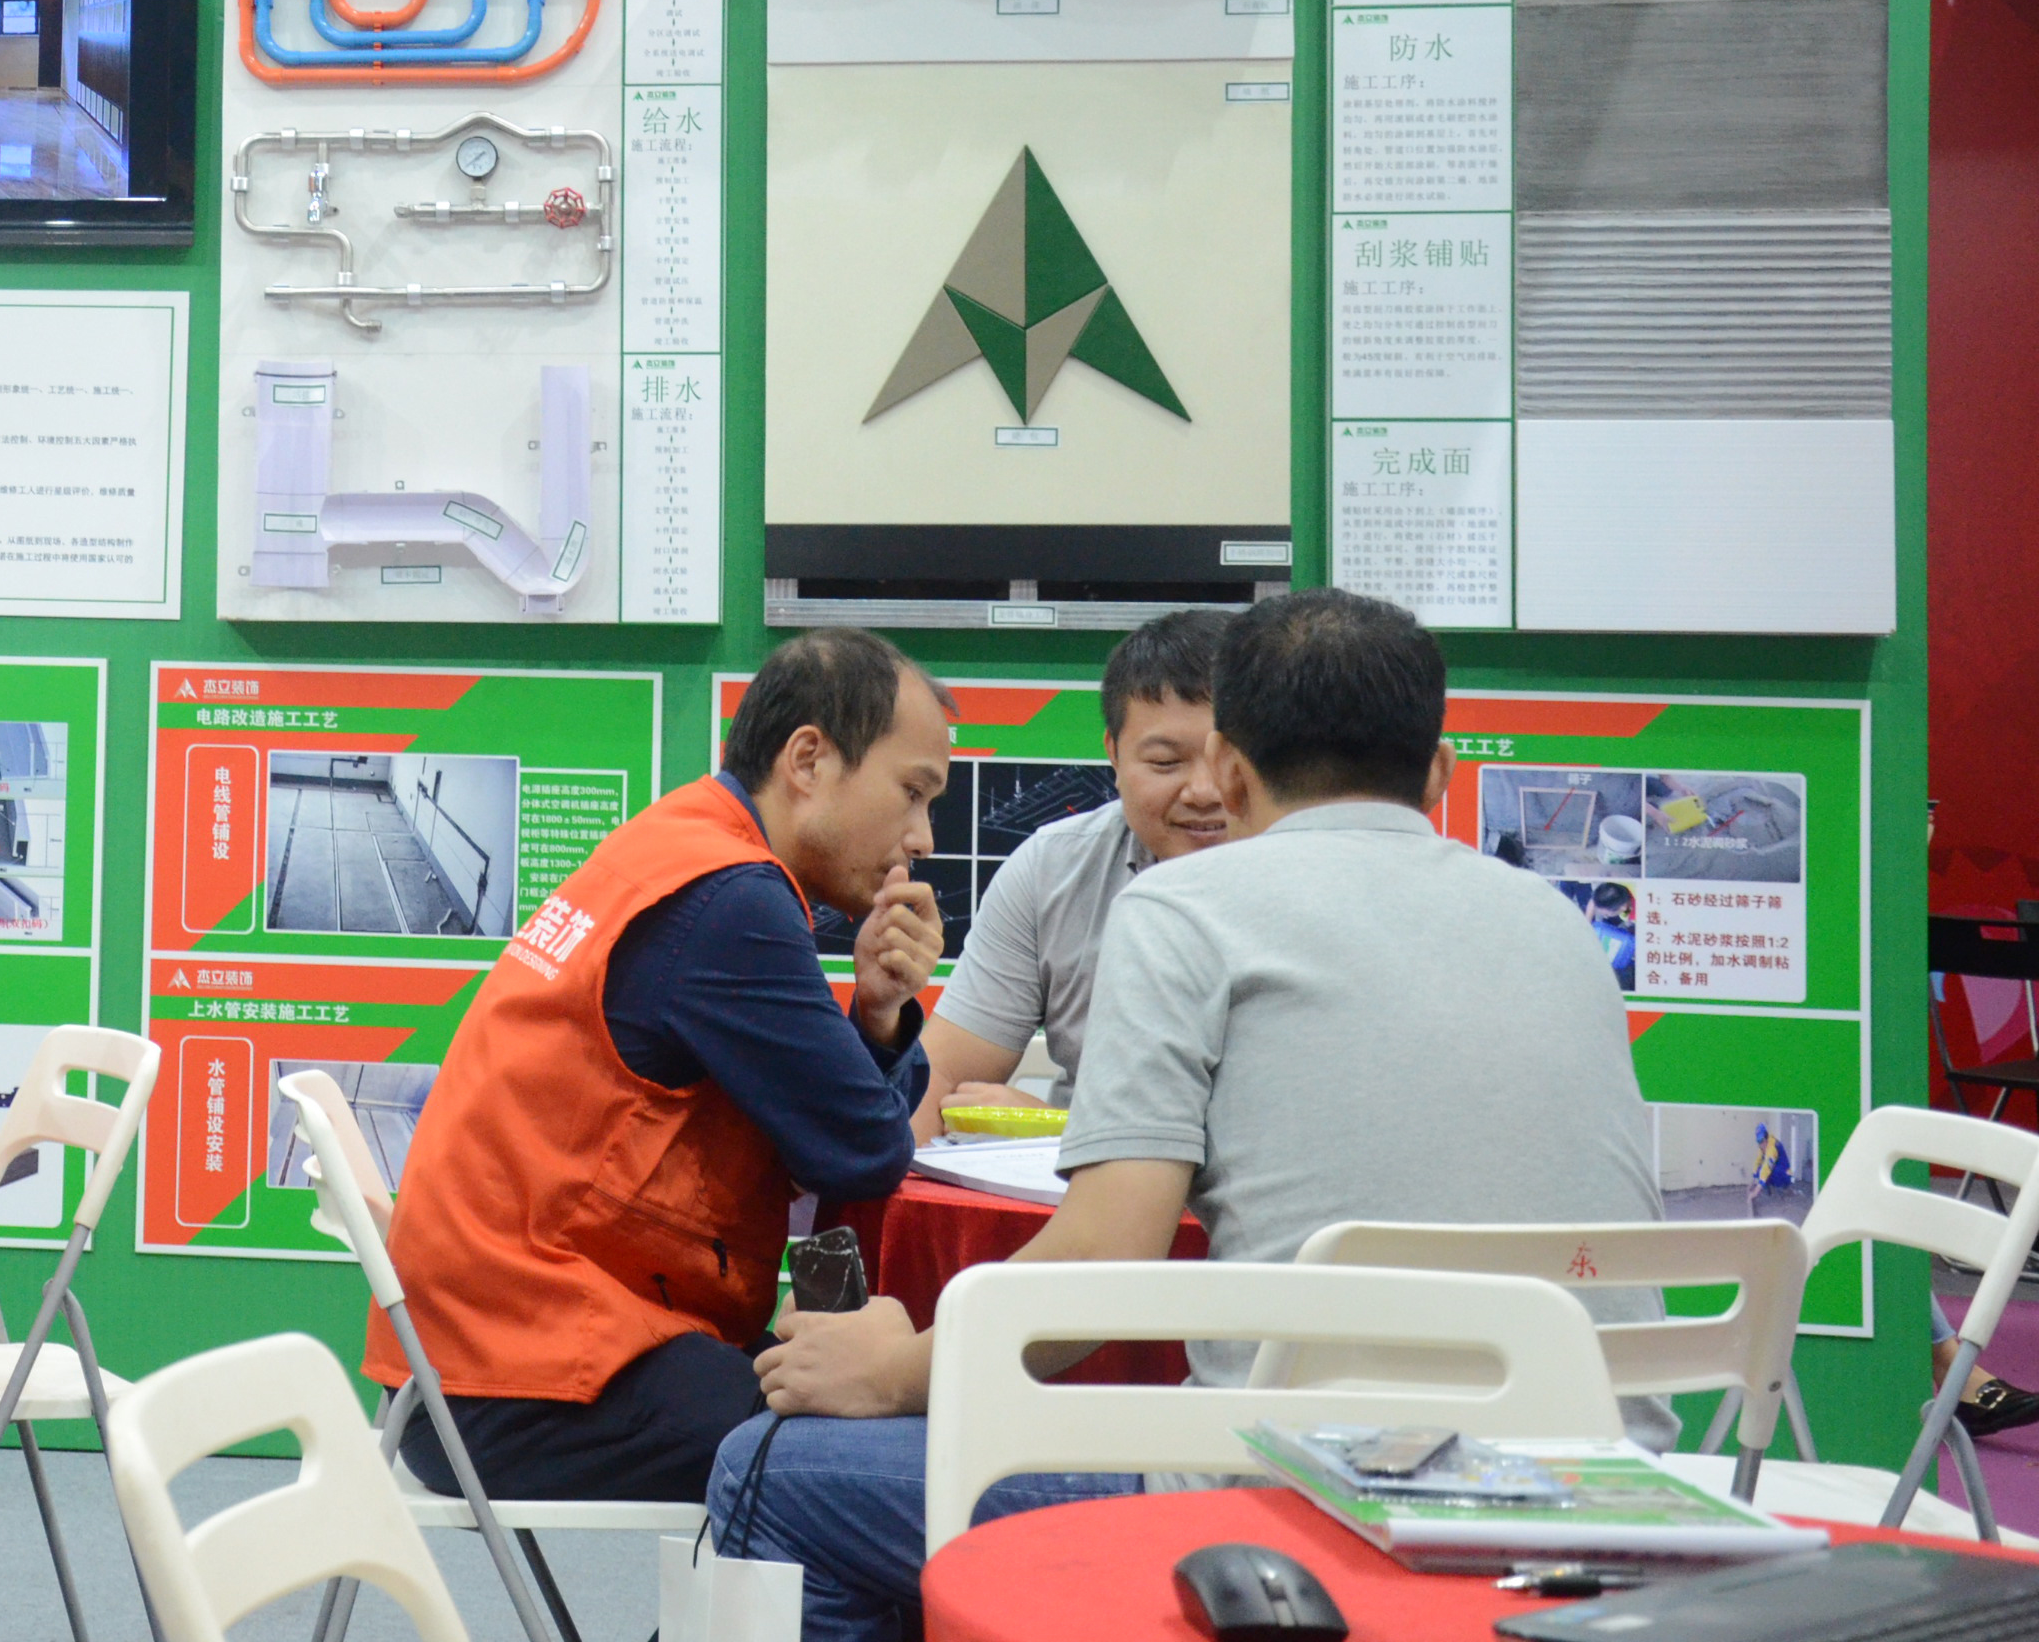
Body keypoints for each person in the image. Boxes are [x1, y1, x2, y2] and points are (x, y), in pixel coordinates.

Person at [706, 589, 1665, 1642]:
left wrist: (890, 1372)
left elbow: (1103, 1264)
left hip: (1302, 1507)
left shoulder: (1182, 909)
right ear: (1438, 775)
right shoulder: (1562, 929)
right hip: (1612, 1495)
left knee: (769, 1469)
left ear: (1233, 771)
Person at [354, 627, 950, 1509]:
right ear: (808, 760)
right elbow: (861, 1151)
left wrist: (876, 1013)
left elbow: (832, 1128)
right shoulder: (732, 898)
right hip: (515, 1382)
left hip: (475, 1349)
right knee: (870, 1460)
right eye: (913, 792)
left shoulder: (680, 843)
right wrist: (880, 1033)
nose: (923, 837)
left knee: (839, 1419)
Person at [914, 609, 1235, 1139]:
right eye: (1165, 763)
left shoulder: (1318, 876)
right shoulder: (1053, 868)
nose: (1202, 792)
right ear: (1113, 755)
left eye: (1227, 760)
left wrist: (1064, 1132)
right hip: (1078, 1183)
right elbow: (944, 1076)